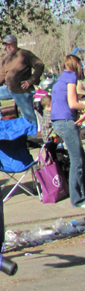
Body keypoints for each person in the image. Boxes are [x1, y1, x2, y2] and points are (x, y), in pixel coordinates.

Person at [50, 54, 85, 208]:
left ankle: (81, 193)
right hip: (66, 123)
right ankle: (77, 200)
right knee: (77, 161)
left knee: (81, 158)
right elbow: (72, 103)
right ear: (76, 65)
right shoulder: (71, 77)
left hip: (60, 121)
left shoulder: (61, 78)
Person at [0, 35, 44, 126]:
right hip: (9, 89)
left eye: (10, 44)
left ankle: (33, 131)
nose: (8, 47)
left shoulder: (25, 54)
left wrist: (31, 80)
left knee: (28, 117)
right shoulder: (6, 58)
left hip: (22, 89)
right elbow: (1, 75)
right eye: (6, 45)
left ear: (15, 43)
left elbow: (39, 65)